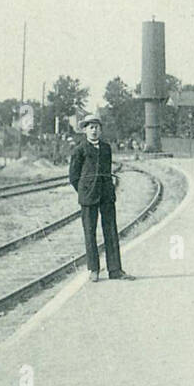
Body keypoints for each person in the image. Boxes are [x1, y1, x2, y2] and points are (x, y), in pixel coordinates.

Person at [69, 114, 133, 282]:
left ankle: (115, 270)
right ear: (85, 130)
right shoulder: (79, 150)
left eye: (97, 127)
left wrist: (109, 188)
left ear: (101, 130)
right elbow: (73, 177)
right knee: (90, 233)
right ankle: (94, 270)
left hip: (106, 195)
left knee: (111, 231)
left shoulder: (106, 148)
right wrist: (84, 190)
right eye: (91, 127)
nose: (94, 130)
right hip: (88, 197)